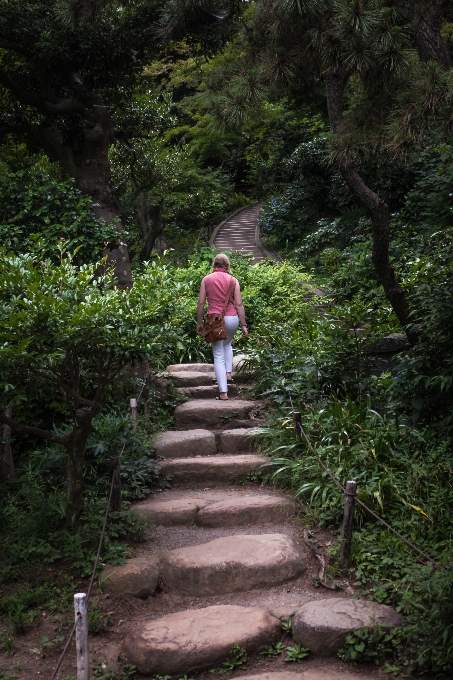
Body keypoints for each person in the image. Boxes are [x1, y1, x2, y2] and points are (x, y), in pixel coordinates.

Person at [196, 253, 248, 400]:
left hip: (215, 320)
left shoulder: (206, 279)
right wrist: (244, 325)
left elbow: (201, 303)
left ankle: (223, 392)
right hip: (232, 319)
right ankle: (228, 374)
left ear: (214, 265)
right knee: (228, 344)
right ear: (227, 265)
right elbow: (239, 304)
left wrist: (199, 323)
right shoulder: (233, 280)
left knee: (218, 355)